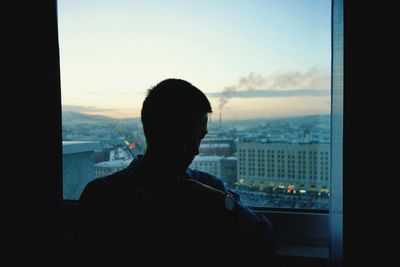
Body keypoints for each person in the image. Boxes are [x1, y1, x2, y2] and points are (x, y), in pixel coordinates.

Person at [77, 78, 279, 265]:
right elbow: (264, 238)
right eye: (189, 139)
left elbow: (266, 238)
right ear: (162, 134)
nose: (196, 150)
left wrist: (221, 201)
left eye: (200, 139)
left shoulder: (104, 193)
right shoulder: (207, 189)